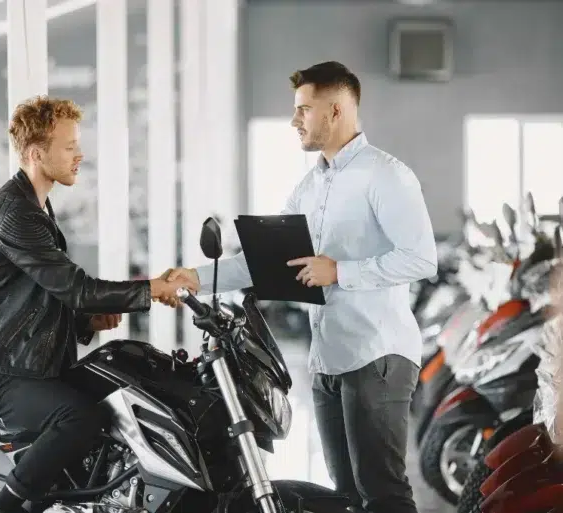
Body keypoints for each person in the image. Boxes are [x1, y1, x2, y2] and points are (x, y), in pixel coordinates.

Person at [163, 61, 437, 513]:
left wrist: (341, 272)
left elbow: (422, 258)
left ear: (335, 110)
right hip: (328, 359)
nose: (295, 121)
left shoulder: (385, 175)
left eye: (303, 110)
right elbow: (266, 262)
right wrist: (196, 277)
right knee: (345, 496)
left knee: (383, 492)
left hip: (378, 355)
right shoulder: (309, 187)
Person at [0, 95, 195, 513]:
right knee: (80, 417)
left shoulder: (36, 205)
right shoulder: (14, 212)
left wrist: (87, 322)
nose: (79, 155)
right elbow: (75, 288)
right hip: (0, 373)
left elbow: (43, 296)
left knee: (126, 376)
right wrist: (150, 289)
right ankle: (5, 505)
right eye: (69, 147)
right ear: (36, 154)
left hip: (31, 363)